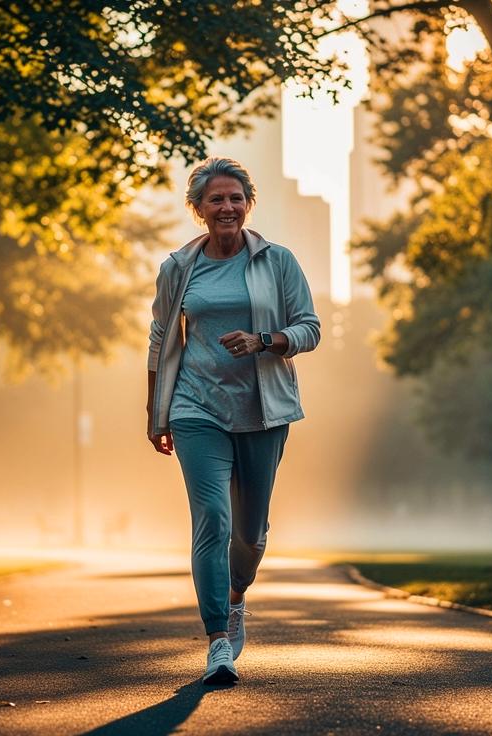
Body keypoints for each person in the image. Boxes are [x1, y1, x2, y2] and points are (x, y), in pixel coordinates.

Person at [146, 157, 321, 685]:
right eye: (216, 199)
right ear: (199, 209)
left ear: (248, 204)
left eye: (235, 198)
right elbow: (160, 337)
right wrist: (156, 408)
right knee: (212, 520)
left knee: (250, 533)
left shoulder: (277, 261)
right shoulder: (179, 267)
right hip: (196, 408)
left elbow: (309, 328)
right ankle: (217, 639)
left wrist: (264, 340)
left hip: (263, 410)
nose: (227, 207)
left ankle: (237, 593)